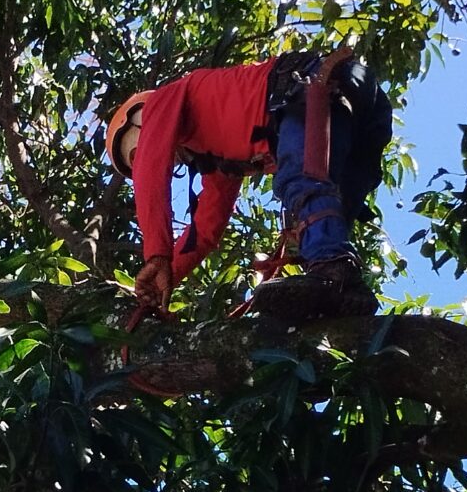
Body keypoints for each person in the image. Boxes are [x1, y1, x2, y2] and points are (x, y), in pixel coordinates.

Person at [105, 49, 390, 321]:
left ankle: (333, 270)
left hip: (314, 85)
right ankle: (346, 289)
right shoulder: (218, 156)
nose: (142, 161)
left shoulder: (164, 99)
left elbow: (152, 167)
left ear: (139, 119)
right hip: (357, 107)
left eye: (136, 155)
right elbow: (206, 229)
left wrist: (156, 254)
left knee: (301, 183)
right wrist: (166, 277)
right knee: (331, 208)